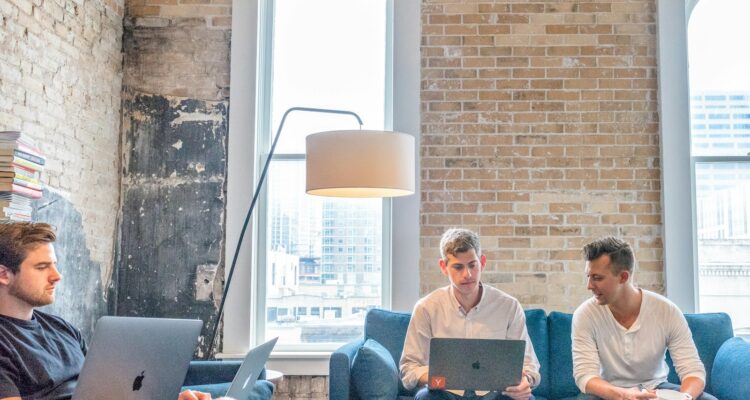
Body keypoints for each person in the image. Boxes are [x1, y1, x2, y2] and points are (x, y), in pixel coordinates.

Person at [0, 222, 259, 400]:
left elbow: (106, 387)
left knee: (255, 386)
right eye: (42, 267)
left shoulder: (61, 328)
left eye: (54, 265)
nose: (57, 275)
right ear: (4, 274)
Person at [400, 228, 540, 400]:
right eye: (458, 267)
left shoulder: (508, 306)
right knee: (425, 397)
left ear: (482, 262)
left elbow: (529, 365)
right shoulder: (426, 308)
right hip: (445, 392)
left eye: (473, 265)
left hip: (495, 394)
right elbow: (408, 369)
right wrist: (438, 376)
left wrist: (524, 382)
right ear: (443, 267)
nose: (468, 274)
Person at [572, 236, 716, 400]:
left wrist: (685, 397)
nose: (589, 285)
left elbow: (692, 370)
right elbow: (585, 377)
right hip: (608, 392)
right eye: (588, 276)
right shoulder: (585, 314)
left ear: (623, 277)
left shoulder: (666, 311)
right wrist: (623, 395)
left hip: (655, 388)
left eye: (597, 278)